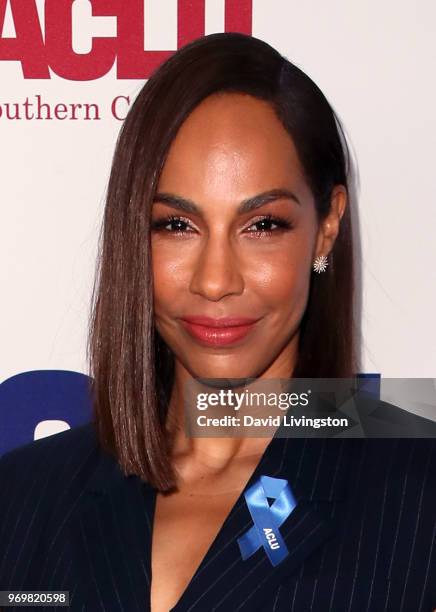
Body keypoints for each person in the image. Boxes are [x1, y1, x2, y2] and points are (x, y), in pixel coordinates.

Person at [0, 32, 435, 612]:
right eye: (176, 225)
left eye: (263, 225)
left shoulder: (419, 493)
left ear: (327, 226)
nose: (214, 280)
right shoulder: (21, 498)